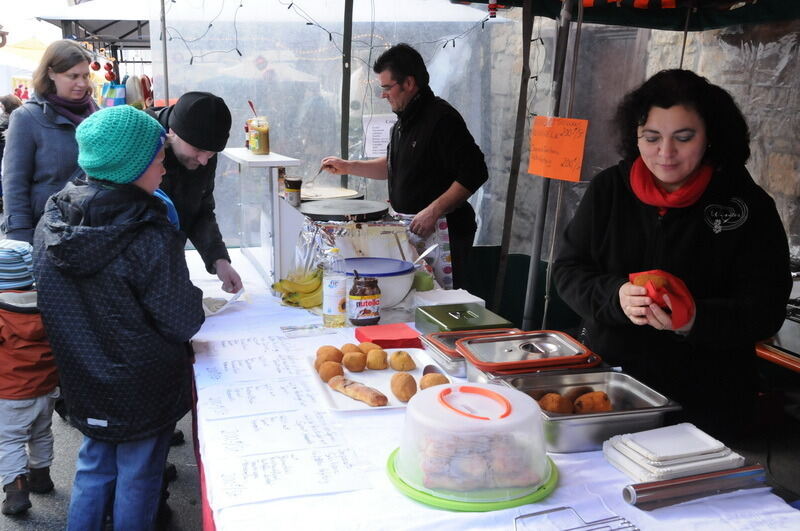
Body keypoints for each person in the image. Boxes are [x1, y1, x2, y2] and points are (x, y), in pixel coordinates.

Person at [552, 69, 792, 439]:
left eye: (684, 138)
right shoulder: (609, 190)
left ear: (710, 136)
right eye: (652, 137)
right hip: (614, 387)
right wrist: (615, 297)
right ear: (635, 134)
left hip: (709, 396)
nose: (665, 153)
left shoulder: (746, 206)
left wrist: (695, 317)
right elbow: (568, 270)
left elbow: (766, 310)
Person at [33, 105, 205, 529]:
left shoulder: (52, 221)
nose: (164, 169)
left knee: (93, 466)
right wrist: (195, 297)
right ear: (133, 167)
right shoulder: (148, 232)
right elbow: (181, 320)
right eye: (159, 159)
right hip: (143, 387)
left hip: (83, 380)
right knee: (139, 476)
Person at [320, 43, 488, 289]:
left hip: (445, 232)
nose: (383, 95)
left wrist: (433, 211)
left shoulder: (442, 119)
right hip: (415, 230)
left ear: (409, 83)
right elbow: (392, 167)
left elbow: (475, 171)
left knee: (443, 301)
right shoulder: (401, 123)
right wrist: (348, 166)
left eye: (387, 87)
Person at [146, 92, 242, 294]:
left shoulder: (203, 153)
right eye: (198, 150)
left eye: (212, 153)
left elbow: (200, 208)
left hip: (170, 264)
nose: (204, 161)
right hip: (139, 269)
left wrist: (219, 259)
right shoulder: (140, 143)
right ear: (172, 131)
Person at [1, 40, 97, 243]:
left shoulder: (97, 113)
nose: (82, 83)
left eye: (85, 75)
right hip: (46, 233)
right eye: (73, 76)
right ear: (51, 73)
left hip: (94, 229)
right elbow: (15, 183)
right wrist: (19, 236)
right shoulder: (26, 117)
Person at [0, 240, 58, 516]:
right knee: (41, 432)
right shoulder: (47, 305)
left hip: (9, 393)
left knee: (9, 440)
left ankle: (16, 490)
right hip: (46, 388)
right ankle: (41, 476)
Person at [0, 94, 24, 210]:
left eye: (2, 105)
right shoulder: (15, 116)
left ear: (6, 105)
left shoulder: (15, 118)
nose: (1, 107)